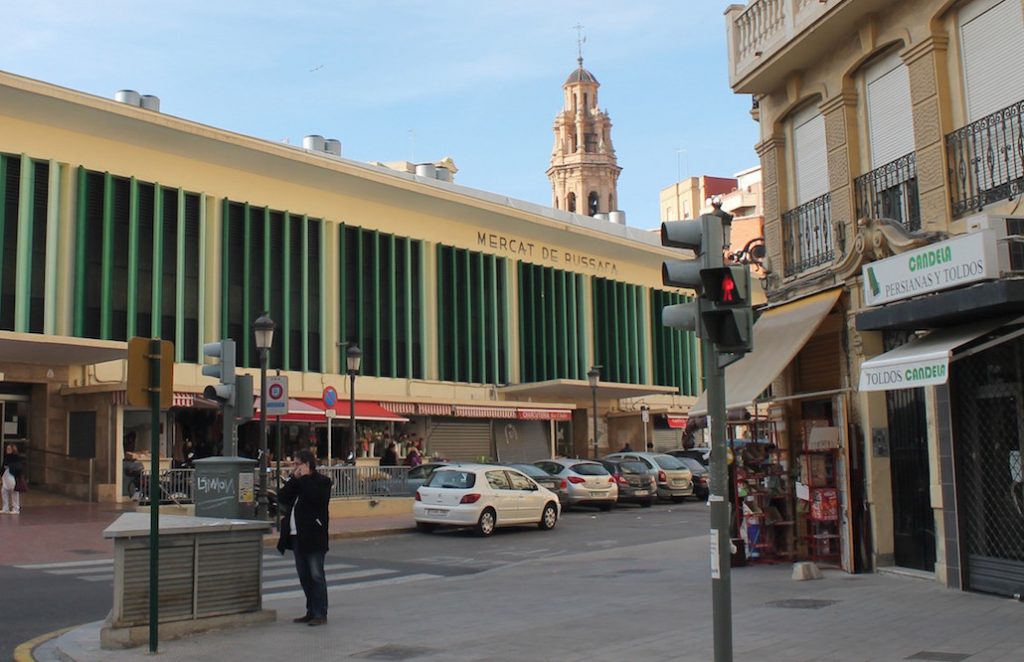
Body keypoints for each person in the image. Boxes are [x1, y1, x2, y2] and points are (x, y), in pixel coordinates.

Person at [277, 449, 333, 626]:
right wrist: (294, 479)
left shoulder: (322, 482)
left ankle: (320, 612)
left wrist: (306, 478)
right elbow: (283, 497)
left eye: (297, 464)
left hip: (314, 536)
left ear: (307, 464)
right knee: (304, 576)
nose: (295, 468)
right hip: (296, 535)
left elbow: (315, 498)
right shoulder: (297, 482)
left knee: (316, 575)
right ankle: (311, 610)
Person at [2, 443, 25, 514]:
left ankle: (16, 508)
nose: (7, 450)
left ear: (13, 449)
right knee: (3, 491)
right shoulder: (6, 457)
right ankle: (5, 508)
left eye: (9, 449)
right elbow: (3, 466)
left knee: (14, 491)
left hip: (13, 475)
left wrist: (10, 466)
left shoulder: (16, 457)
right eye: (7, 449)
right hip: (5, 475)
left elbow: (19, 467)